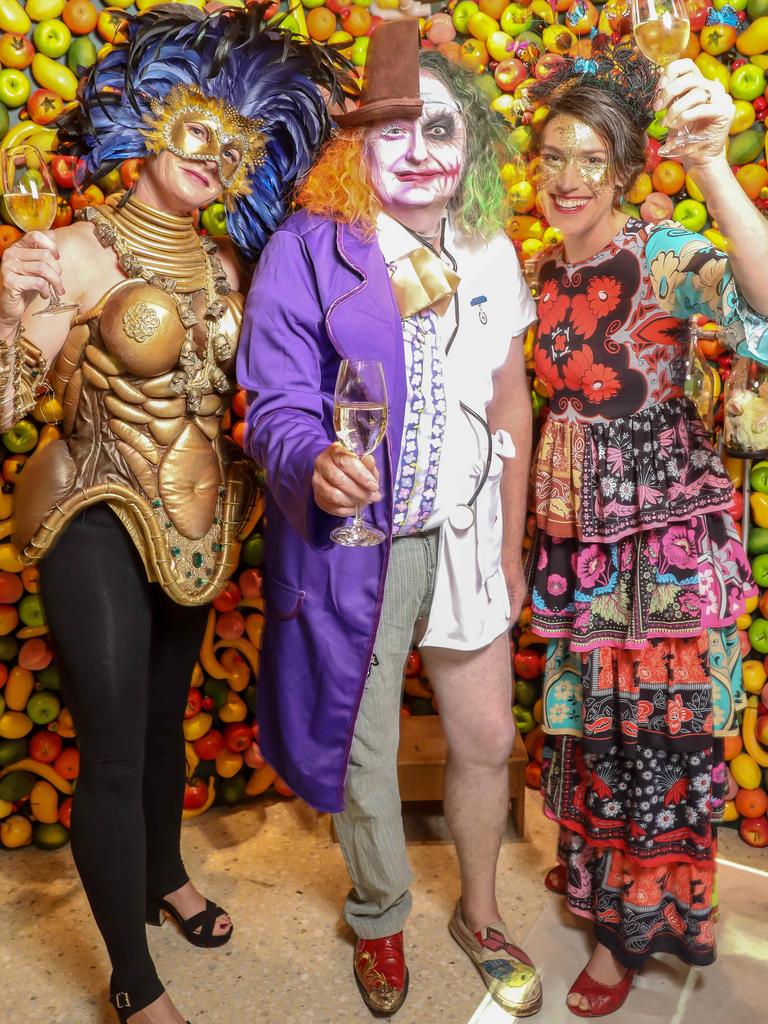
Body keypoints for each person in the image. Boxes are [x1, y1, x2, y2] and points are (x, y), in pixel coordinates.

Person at [0, 8, 347, 1023]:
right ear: (154, 121)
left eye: (240, 150)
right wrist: (12, 316)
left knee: (162, 721)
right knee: (110, 743)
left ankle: (163, 871)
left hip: (200, 524)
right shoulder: (67, 252)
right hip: (94, 514)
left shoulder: (234, 269)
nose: (219, 159)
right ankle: (132, 978)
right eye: (202, 132)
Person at [238, 18, 541, 1018]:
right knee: (365, 749)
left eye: (440, 130)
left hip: (458, 535)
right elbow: (275, 399)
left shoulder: (491, 250)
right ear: (354, 147)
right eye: (394, 130)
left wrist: (505, 546)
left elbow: (508, 402)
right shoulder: (308, 248)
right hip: (357, 545)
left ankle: (481, 910)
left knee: (488, 734)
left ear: (471, 150)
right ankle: (380, 916)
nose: (418, 151)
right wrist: (311, 461)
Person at [524, 40, 768, 1018]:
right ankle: (596, 883)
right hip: (584, 552)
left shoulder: (665, 255)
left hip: (666, 561)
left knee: (651, 751)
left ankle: (628, 939)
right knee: (596, 743)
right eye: (554, 155)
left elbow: (764, 304)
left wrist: (710, 165)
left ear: (627, 173)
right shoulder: (541, 269)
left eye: (593, 159)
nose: (569, 177)